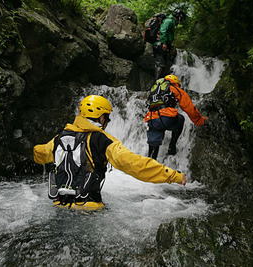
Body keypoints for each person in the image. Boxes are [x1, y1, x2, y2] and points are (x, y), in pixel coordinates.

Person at [33, 95, 188, 211]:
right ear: (101, 118)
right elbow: (135, 165)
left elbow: (40, 154)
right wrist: (173, 175)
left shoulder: (59, 139)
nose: (107, 122)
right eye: (107, 118)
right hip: (90, 208)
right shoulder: (103, 141)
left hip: (59, 206)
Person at [145, 74, 209, 160]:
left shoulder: (154, 90)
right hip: (167, 118)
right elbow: (189, 108)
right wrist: (200, 120)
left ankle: (150, 161)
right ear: (176, 83)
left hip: (152, 119)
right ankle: (172, 147)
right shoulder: (175, 89)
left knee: (154, 141)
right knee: (181, 119)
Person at [153, 9, 186, 80]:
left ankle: (161, 83)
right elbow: (163, 31)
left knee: (165, 64)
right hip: (160, 44)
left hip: (163, 44)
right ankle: (156, 84)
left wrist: (170, 46)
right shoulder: (169, 21)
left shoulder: (171, 22)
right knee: (160, 64)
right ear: (179, 17)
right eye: (181, 19)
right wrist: (164, 43)